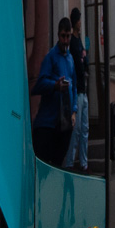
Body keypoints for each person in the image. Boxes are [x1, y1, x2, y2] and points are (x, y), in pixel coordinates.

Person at [31, 17, 77, 166]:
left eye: (68, 36)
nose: (65, 40)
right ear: (58, 35)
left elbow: (74, 87)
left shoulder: (70, 59)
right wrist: (55, 86)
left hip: (63, 124)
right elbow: (38, 86)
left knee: (58, 162)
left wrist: (74, 111)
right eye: (63, 36)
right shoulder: (51, 57)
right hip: (47, 124)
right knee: (45, 164)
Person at [62, 7, 90, 173]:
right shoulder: (72, 42)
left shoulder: (79, 41)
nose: (80, 22)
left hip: (83, 90)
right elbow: (76, 67)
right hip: (77, 91)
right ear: (76, 21)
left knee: (85, 129)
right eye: (79, 19)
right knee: (77, 129)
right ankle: (70, 161)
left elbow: (84, 63)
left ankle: (84, 162)